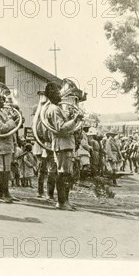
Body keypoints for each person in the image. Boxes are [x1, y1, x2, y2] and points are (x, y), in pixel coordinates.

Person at [43, 81, 83, 211]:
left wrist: (71, 118)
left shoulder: (57, 108)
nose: (61, 94)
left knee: (66, 174)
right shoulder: (54, 109)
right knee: (63, 174)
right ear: (52, 94)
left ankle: (65, 201)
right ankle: (61, 202)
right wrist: (75, 120)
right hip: (62, 145)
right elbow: (61, 128)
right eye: (58, 92)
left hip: (65, 145)